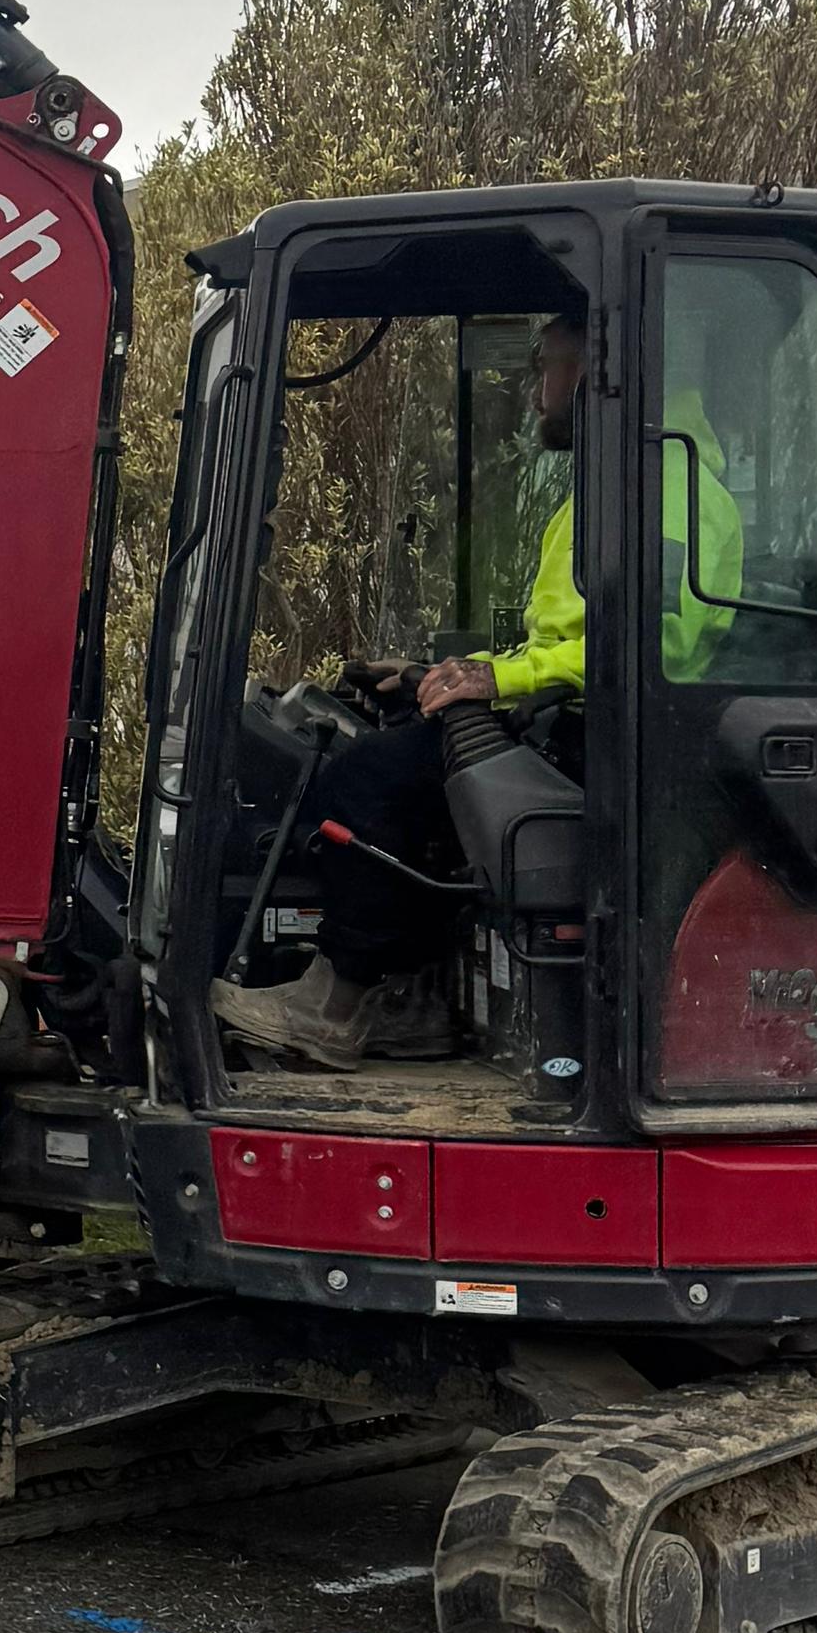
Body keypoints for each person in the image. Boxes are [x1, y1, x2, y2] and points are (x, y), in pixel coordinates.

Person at [214, 310, 732, 1072]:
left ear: (594, 375)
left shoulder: (669, 488)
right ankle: (414, 1004)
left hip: (609, 745)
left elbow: (656, 647)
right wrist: (439, 674)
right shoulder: (631, 479)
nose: (536, 396)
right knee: (389, 754)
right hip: (577, 720)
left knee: (368, 779)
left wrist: (501, 678)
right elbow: (570, 639)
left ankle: (335, 1006)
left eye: (545, 369)